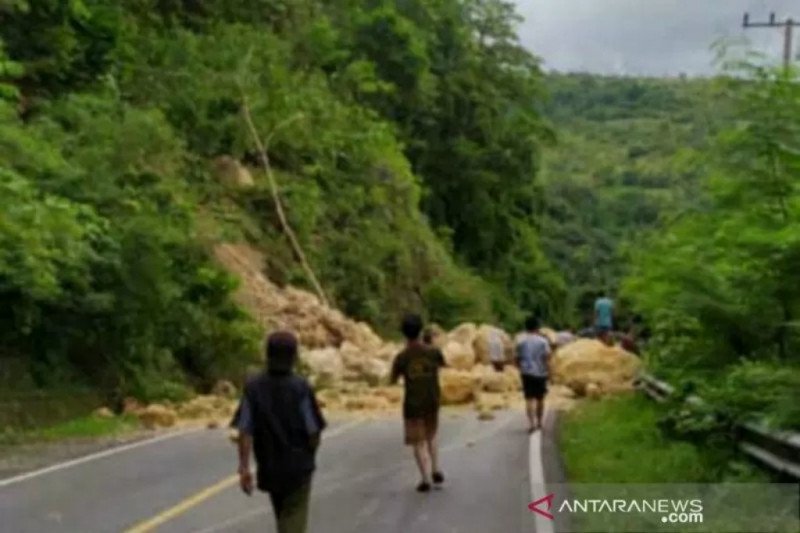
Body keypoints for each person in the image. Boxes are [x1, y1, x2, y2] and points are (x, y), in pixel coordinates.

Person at [236, 331, 326, 533]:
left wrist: (244, 468)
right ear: (294, 357)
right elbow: (313, 431)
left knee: (283, 515)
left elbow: (245, 430)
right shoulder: (301, 388)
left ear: (267, 355)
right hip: (298, 468)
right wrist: (310, 455)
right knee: (293, 519)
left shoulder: (253, 388)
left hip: (269, 466)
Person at [390, 313, 446, 492]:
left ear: (404, 334)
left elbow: (392, 380)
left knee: (418, 442)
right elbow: (443, 365)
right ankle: (436, 468)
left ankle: (425, 478)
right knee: (431, 435)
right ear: (421, 330)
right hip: (432, 400)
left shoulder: (402, 357)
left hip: (413, 404)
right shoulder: (433, 352)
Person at [515, 316, 551, 433]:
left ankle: (531, 424)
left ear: (526, 327)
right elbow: (547, 357)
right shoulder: (543, 341)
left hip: (526, 372)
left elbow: (517, 358)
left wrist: (520, 368)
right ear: (537, 327)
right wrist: (549, 371)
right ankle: (540, 423)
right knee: (540, 398)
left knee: (529, 399)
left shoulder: (521, 341)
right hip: (541, 372)